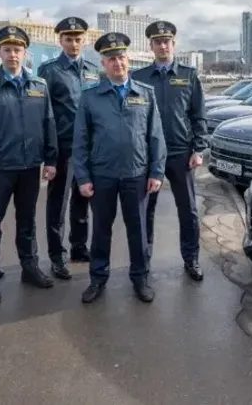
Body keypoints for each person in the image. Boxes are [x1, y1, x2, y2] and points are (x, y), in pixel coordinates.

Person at [0, 25, 58, 306]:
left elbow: (48, 124)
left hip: (30, 167)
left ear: (25, 53)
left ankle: (29, 267)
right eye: (7, 50)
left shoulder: (39, 86)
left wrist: (51, 159)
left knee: (27, 221)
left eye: (18, 50)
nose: (13, 55)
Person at [73, 32, 166, 304]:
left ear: (129, 60)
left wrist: (156, 172)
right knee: (101, 229)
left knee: (138, 230)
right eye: (111, 59)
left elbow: (155, 136)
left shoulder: (145, 94)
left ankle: (140, 279)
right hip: (102, 175)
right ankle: (98, 279)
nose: (118, 63)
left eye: (121, 57)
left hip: (136, 175)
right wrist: (82, 177)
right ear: (103, 63)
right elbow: (80, 140)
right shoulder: (90, 97)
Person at [131, 20, 208, 281]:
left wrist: (198, 148)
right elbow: (133, 118)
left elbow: (198, 115)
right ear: (151, 45)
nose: (163, 46)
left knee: (187, 209)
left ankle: (192, 259)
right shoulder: (139, 78)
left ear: (174, 44)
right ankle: (144, 260)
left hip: (180, 153)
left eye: (167, 41)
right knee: (145, 210)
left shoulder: (188, 75)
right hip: (148, 156)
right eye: (157, 42)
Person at [37, 17, 100, 280]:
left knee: (82, 199)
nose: (74, 44)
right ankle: (56, 256)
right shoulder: (49, 71)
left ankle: (78, 246)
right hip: (62, 147)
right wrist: (48, 153)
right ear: (59, 40)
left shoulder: (94, 69)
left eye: (78, 39)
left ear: (85, 41)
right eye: (68, 39)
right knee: (58, 204)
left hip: (88, 148)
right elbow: (44, 113)